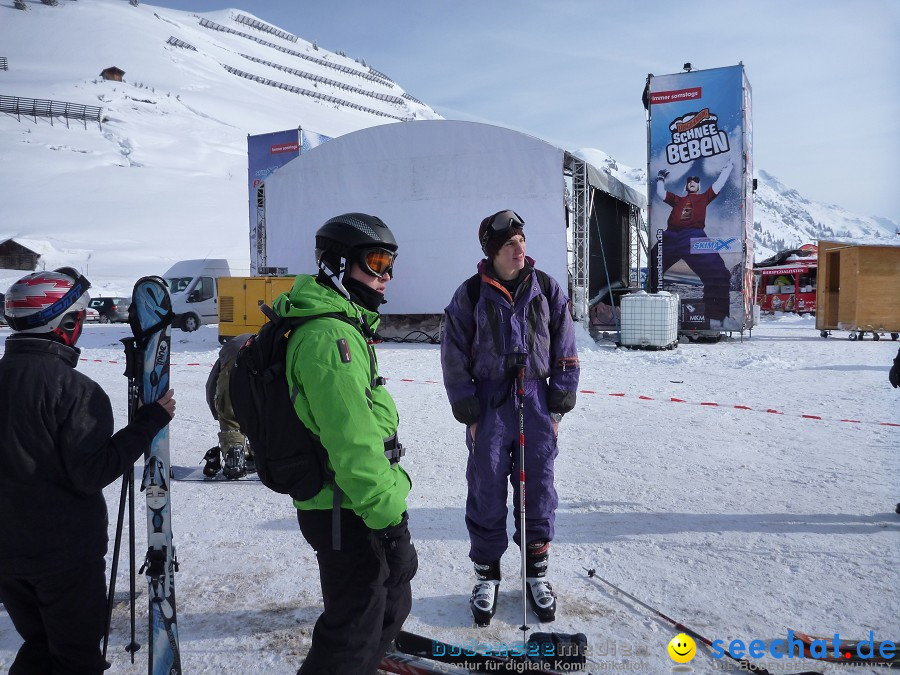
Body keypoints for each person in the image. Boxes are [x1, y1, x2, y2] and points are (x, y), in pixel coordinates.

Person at [0, 268, 176, 675]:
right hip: (64, 557)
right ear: (63, 325)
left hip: (9, 556)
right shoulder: (75, 390)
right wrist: (147, 424)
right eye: (77, 319)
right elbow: (91, 472)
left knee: (40, 645)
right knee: (76, 653)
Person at [271, 213, 417, 674]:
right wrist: (391, 524)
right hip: (347, 507)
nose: (385, 276)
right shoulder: (329, 338)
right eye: (375, 262)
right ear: (336, 264)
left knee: (376, 611)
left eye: (390, 265)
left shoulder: (336, 324)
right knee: (354, 629)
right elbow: (353, 447)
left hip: (345, 503)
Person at [441, 209, 580, 625]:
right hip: (489, 403)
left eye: (522, 241)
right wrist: (468, 408)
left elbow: (566, 347)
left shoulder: (547, 289)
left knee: (537, 487)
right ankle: (487, 575)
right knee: (486, 489)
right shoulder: (469, 294)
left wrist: (558, 404)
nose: (520, 249)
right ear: (492, 251)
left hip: (535, 400)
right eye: (509, 245)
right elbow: (452, 353)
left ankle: (536, 573)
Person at [650, 160, 736, 329]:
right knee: (654, 266)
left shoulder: (704, 198)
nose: (692, 183)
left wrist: (729, 167)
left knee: (719, 273)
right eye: (689, 182)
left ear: (699, 186)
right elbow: (661, 193)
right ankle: (652, 313)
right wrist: (660, 177)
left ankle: (716, 317)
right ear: (686, 186)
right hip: (670, 236)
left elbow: (718, 184)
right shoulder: (677, 200)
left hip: (694, 237)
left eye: (695, 182)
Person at [203, 333, 253, 479]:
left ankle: (234, 459)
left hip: (233, 358)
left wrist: (219, 413)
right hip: (270, 359)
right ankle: (269, 457)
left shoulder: (228, 354)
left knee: (228, 412)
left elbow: (211, 387)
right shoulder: (265, 340)